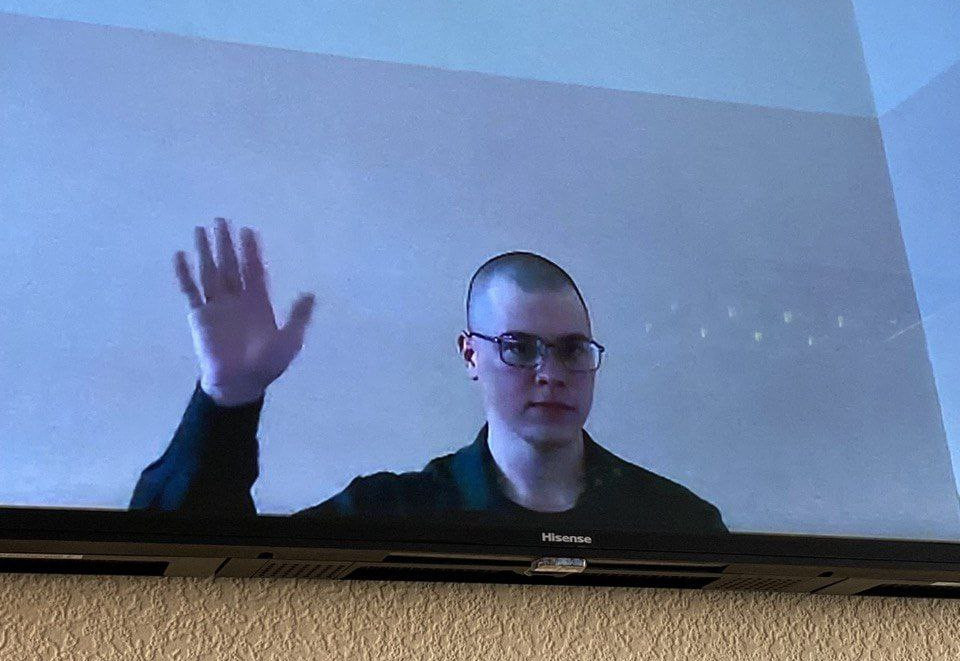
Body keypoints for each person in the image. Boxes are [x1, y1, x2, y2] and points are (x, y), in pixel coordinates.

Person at [130, 218, 728, 533]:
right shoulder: (390, 514)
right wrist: (228, 401)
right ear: (471, 355)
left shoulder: (678, 522)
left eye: (572, 350)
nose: (551, 373)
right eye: (519, 348)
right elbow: (186, 564)